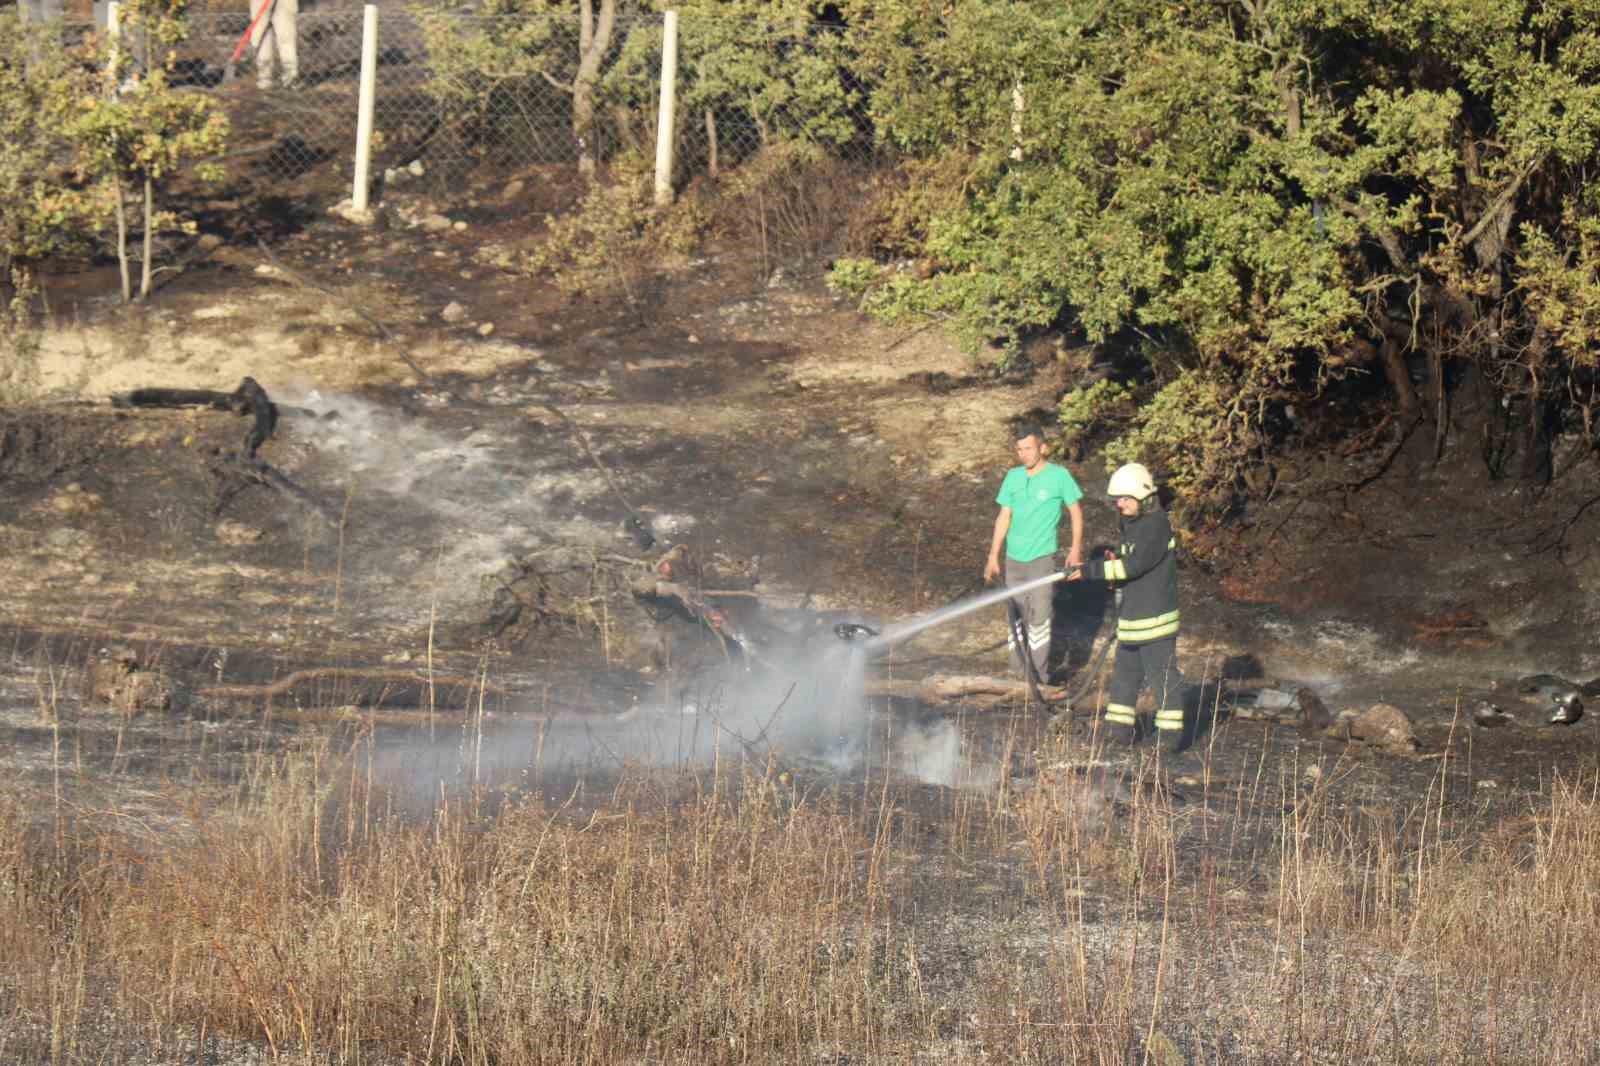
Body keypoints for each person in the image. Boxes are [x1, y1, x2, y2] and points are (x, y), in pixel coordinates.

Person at [1067, 462, 1189, 750]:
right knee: (1124, 678)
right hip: (1133, 620)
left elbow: (1134, 566)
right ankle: (1119, 732)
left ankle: (1169, 738)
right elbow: (1128, 563)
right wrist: (1113, 564)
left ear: (1144, 497)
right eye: (1117, 500)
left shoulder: (1156, 525)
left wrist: (1091, 570)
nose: (1119, 505)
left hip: (1155, 620)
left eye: (1124, 499)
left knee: (1162, 677)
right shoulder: (1133, 526)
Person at [984, 425, 1083, 683]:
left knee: (1039, 617)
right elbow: (1004, 516)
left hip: (1042, 558)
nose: (1023, 454)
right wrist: (993, 555)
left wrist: (1075, 549)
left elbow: (1075, 512)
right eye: (1019, 449)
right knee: (1016, 616)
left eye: (1028, 448)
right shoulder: (1013, 477)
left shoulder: (1059, 476)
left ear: (1042, 448)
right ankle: (1016, 675)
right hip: (1014, 559)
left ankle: (1038, 676)